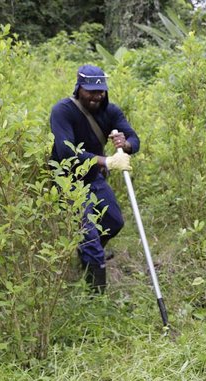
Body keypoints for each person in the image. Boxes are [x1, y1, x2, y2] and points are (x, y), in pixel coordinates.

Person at [49, 64, 140, 292]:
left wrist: (125, 144)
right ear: (79, 88)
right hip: (68, 181)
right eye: (90, 91)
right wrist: (106, 161)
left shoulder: (111, 111)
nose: (96, 96)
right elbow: (66, 152)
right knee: (90, 237)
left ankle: (87, 256)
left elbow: (134, 138)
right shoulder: (62, 111)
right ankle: (94, 298)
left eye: (100, 91)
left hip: (93, 179)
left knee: (114, 222)